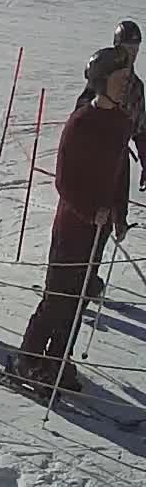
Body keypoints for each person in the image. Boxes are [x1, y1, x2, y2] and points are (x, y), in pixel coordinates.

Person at [11, 47, 137, 390]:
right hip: (73, 227)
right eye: (120, 79)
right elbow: (63, 181)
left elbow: (120, 171)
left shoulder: (121, 121)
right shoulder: (81, 121)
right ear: (101, 82)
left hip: (100, 229)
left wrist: (119, 215)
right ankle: (26, 358)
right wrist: (89, 211)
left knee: (80, 299)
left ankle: (56, 360)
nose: (125, 85)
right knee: (58, 297)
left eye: (127, 79)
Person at [75, 21, 146, 298]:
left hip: (117, 160)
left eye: (136, 48)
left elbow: (141, 127)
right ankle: (71, 277)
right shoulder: (102, 76)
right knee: (86, 217)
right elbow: (81, 111)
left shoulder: (137, 87)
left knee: (109, 222)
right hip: (94, 159)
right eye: (127, 48)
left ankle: (90, 277)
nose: (133, 54)